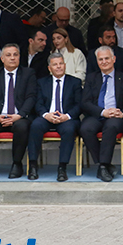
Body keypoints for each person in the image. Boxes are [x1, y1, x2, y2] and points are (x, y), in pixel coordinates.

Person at [0, 43, 36, 180]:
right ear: (2, 58)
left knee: (22, 127)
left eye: (15, 55)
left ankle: (17, 164)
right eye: (8, 55)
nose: (12, 58)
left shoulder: (28, 73)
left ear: (20, 57)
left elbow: (31, 97)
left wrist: (19, 115)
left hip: (19, 116)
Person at [80, 46, 123, 182]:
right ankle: (104, 164)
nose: (104, 62)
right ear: (97, 62)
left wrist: (122, 113)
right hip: (97, 114)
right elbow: (85, 102)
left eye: (107, 58)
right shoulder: (91, 78)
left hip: (116, 116)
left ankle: (103, 166)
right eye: (100, 59)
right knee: (85, 128)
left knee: (111, 127)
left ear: (114, 59)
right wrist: (103, 112)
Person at [28, 53, 82, 182]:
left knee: (69, 130)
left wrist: (66, 116)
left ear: (65, 65)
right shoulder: (41, 82)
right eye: (55, 64)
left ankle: (62, 167)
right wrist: (46, 115)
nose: (58, 66)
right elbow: (38, 103)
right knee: (35, 125)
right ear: (49, 68)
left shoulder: (75, 82)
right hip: (47, 116)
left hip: (66, 118)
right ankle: (33, 165)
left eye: (61, 63)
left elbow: (80, 104)